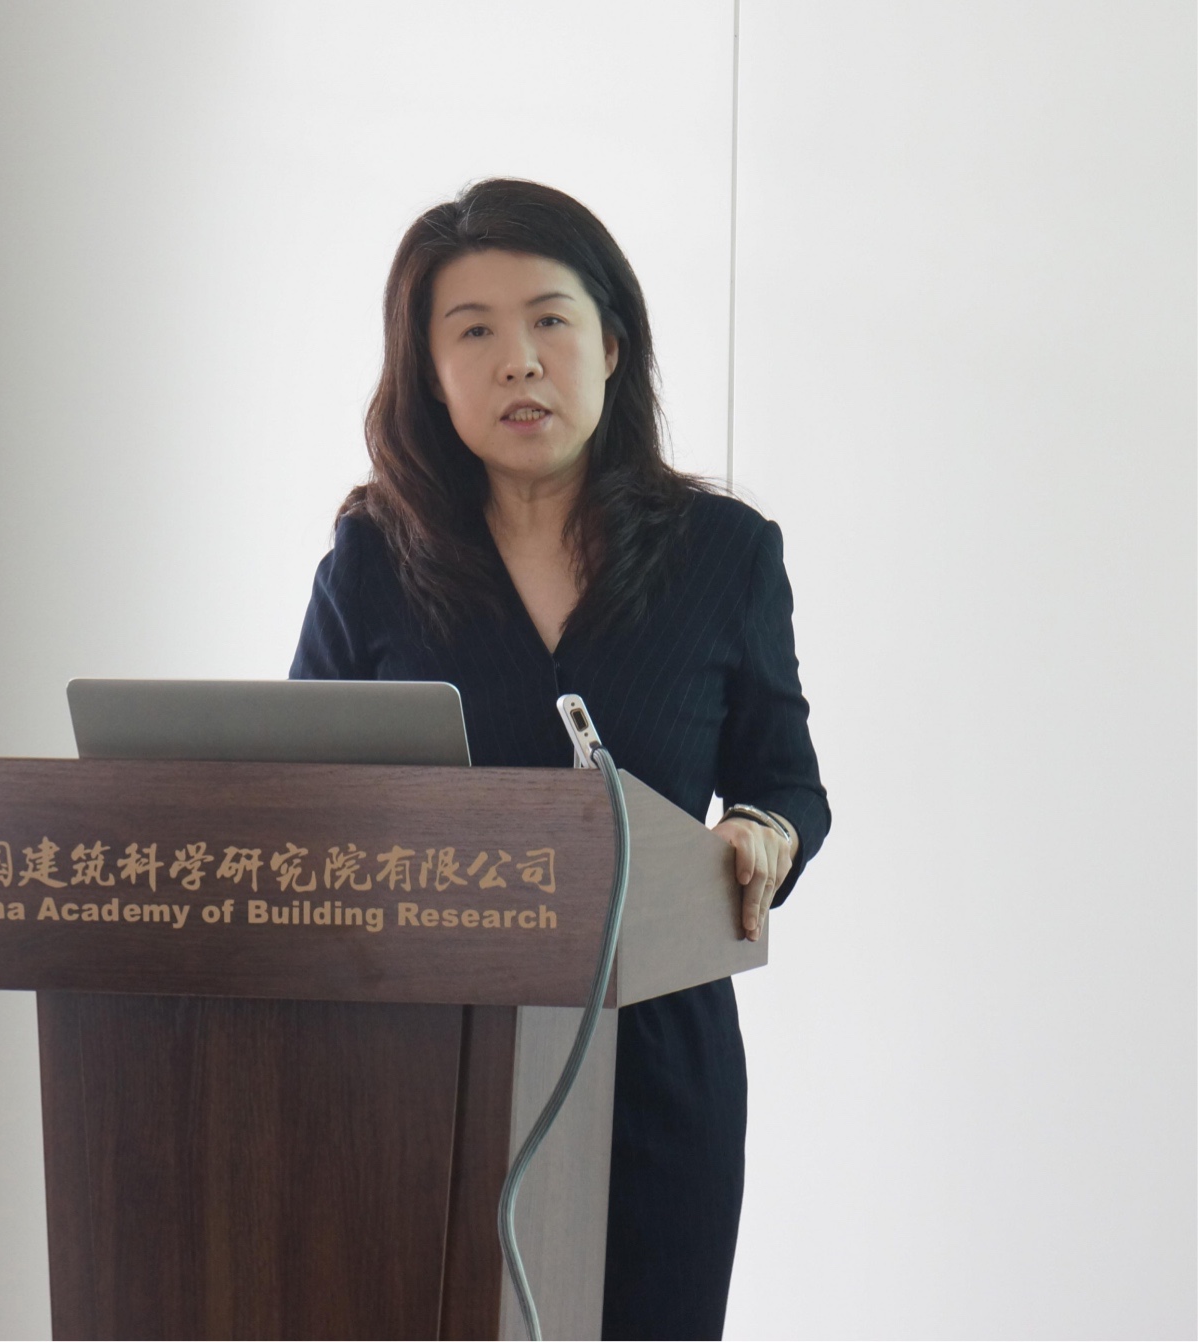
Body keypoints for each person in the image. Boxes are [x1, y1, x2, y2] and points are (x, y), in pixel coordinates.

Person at [292, 179, 827, 1340]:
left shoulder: (724, 553)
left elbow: (786, 782)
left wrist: (761, 834)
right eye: (473, 331)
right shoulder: (373, 559)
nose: (518, 361)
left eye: (549, 320)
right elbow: (298, 792)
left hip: (656, 1051)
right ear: (430, 374)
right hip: (425, 1056)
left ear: (613, 345)